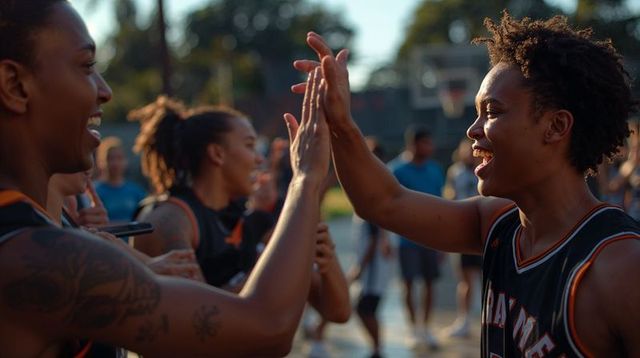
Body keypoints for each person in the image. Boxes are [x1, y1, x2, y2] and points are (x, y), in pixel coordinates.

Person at [292, 11, 640, 357]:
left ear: (556, 127)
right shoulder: (498, 225)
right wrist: (339, 123)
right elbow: (384, 202)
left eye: (492, 111)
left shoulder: (621, 265)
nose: (472, 131)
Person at [0, 1, 331, 356]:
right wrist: (305, 178)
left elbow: (335, 307)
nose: (104, 90)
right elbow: (267, 329)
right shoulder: (33, 257)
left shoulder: (46, 231)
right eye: (86, 66)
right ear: (16, 86)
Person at [129, 96, 349, 325]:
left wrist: (327, 258)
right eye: (249, 146)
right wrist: (272, 260)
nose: (259, 159)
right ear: (217, 154)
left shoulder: (244, 219)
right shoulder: (170, 220)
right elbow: (200, 320)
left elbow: (338, 312)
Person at [387, 126, 444, 349]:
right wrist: (386, 240)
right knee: (408, 284)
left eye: (431, 143)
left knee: (431, 284)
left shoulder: (436, 170)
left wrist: (442, 242)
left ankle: (426, 328)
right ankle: (413, 329)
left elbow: (441, 207)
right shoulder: (396, 170)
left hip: (431, 239)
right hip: (406, 240)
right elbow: (388, 206)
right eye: (426, 143)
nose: (430, 148)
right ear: (413, 144)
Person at [348, 137, 394, 358]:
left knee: (365, 308)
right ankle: (377, 348)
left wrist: (361, 266)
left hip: (374, 264)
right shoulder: (370, 184)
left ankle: (377, 349)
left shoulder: (374, 188)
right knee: (365, 307)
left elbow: (375, 234)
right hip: (372, 260)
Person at [442, 138, 482, 338]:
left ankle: (490, 317)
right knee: (465, 280)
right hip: (464, 229)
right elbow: (450, 197)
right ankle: (464, 319)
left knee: (491, 279)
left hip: (484, 229)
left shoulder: (485, 168)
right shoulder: (455, 172)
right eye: (465, 149)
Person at [94, 136, 146, 224]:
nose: (115, 163)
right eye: (110, 158)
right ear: (101, 162)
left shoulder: (136, 191)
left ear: (126, 161)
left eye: (119, 158)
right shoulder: (94, 192)